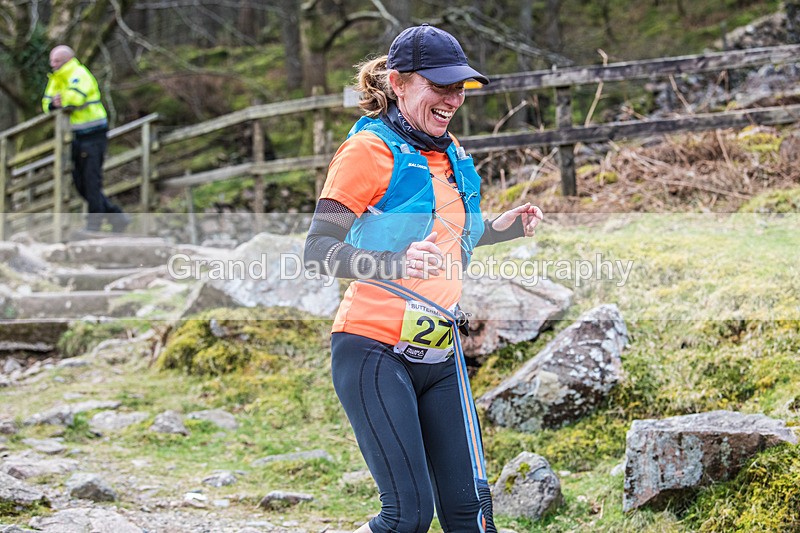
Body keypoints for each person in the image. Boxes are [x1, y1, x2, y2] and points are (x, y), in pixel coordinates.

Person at [304, 24, 543, 533]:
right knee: (408, 517)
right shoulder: (367, 151)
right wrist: (393, 264)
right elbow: (318, 249)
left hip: (441, 351)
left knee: (471, 516)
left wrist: (503, 230)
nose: (453, 98)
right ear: (398, 82)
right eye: (440, 86)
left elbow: (449, 241)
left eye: (459, 87)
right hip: (373, 349)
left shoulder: (449, 152)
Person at [42, 45, 130, 233]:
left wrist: (60, 101)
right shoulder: (56, 79)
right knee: (80, 184)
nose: (52, 64)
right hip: (75, 136)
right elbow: (46, 103)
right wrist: (53, 104)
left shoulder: (79, 73)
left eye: (56, 61)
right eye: (51, 61)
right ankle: (117, 217)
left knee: (91, 181)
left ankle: (94, 226)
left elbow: (76, 98)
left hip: (93, 133)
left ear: (66, 60)